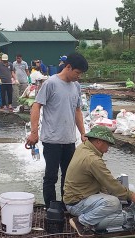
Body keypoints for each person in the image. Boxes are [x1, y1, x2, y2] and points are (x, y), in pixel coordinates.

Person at [25, 52, 89, 208]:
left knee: (69, 176)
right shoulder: (51, 83)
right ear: (68, 67)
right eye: (77, 73)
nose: (78, 76)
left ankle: (66, 205)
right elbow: (36, 106)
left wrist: (82, 133)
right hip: (52, 140)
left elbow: (77, 111)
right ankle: (51, 207)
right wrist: (34, 132)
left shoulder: (76, 86)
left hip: (69, 140)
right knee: (51, 176)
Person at [64, 125, 135, 234]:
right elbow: (110, 183)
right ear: (99, 141)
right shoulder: (92, 159)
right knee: (114, 202)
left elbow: (104, 180)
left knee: (125, 189)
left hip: (76, 196)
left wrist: (123, 193)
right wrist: (131, 196)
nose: (107, 149)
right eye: (108, 145)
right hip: (77, 204)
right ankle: (81, 222)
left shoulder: (83, 147)